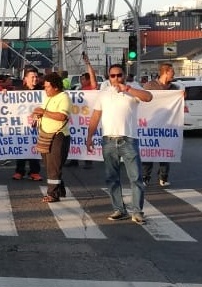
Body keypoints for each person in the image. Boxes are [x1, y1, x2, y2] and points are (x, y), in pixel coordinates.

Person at [86, 63, 153, 225]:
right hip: (108, 139)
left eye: (119, 75)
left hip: (128, 139)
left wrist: (127, 89)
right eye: (112, 76)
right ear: (109, 77)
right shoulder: (104, 93)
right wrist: (89, 137)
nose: (116, 78)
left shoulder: (132, 88)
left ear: (124, 75)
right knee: (112, 178)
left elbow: (148, 97)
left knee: (135, 177)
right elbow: (96, 116)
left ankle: (137, 212)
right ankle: (119, 209)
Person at [32, 73, 71, 202]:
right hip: (46, 135)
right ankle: (59, 189)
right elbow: (43, 111)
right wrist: (37, 115)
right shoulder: (48, 97)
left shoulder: (63, 97)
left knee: (54, 166)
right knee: (50, 165)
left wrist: (44, 112)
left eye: (47, 87)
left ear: (55, 87)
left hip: (58, 135)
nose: (45, 89)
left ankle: (52, 194)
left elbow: (62, 116)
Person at [142, 62, 179, 187]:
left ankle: (163, 177)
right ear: (165, 72)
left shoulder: (174, 88)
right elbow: (143, 101)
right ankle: (145, 177)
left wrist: (182, 96)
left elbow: (178, 102)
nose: (174, 74)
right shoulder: (149, 86)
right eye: (172, 72)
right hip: (151, 124)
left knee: (166, 151)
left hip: (168, 125)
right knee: (149, 151)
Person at [67, 53, 97, 169]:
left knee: (87, 138)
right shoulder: (80, 89)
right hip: (78, 118)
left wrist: (88, 64)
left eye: (83, 79)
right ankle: (74, 159)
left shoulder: (92, 88)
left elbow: (93, 77)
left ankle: (88, 160)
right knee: (75, 137)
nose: (81, 81)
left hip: (88, 119)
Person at [13, 68, 43, 181]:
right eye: (32, 77)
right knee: (22, 148)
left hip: (37, 126)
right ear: (25, 79)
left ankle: (34, 172)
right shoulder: (18, 91)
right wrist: (4, 93)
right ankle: (19, 171)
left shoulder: (43, 91)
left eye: (36, 77)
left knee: (35, 149)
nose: (35, 79)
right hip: (22, 125)